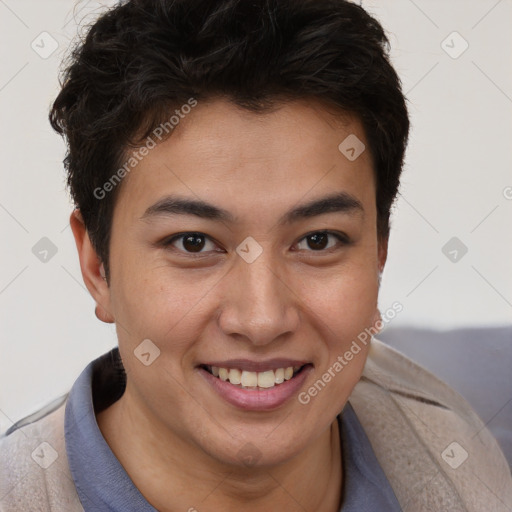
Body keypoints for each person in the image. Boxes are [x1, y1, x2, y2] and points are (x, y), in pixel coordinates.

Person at [1, 0, 511, 510]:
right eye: (193, 243)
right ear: (97, 267)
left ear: (379, 252)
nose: (262, 319)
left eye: (318, 240)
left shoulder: (460, 457)